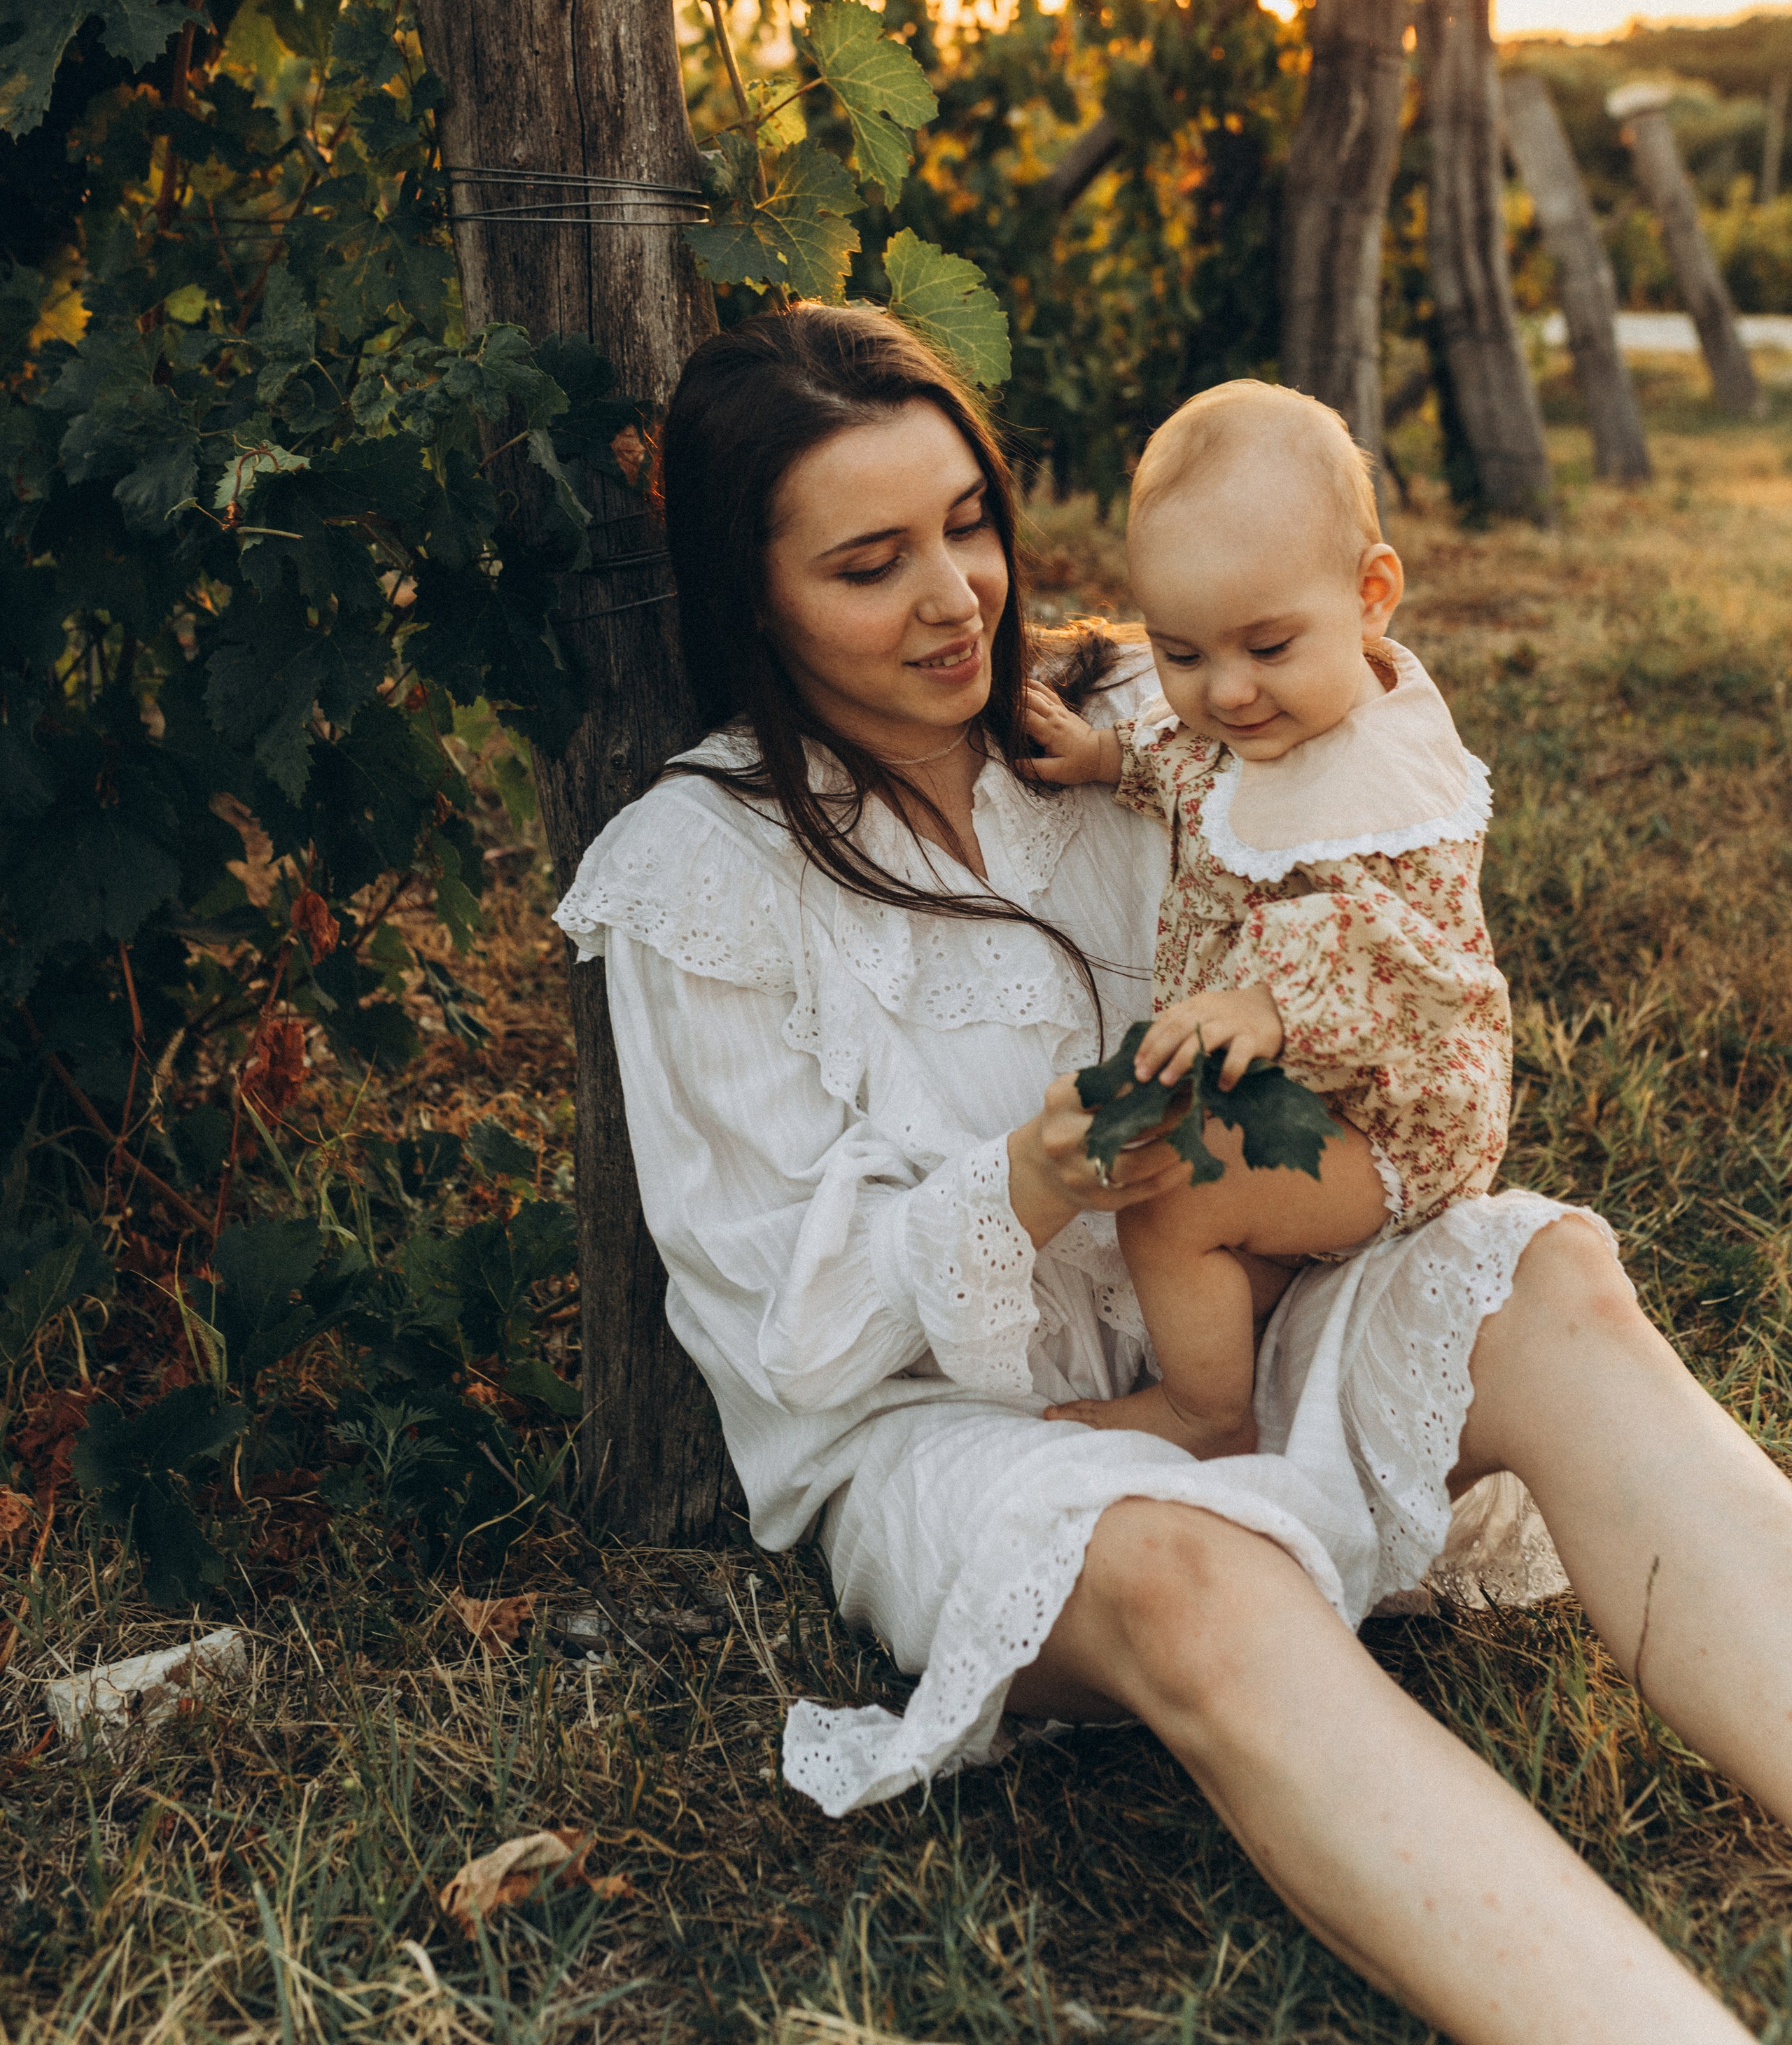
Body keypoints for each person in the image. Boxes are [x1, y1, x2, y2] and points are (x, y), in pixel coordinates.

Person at [554, 304, 1792, 2045]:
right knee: (1206, 1580)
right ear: (749, 594)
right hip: (968, 1439)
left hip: (1249, 1304)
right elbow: (779, 1338)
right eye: (867, 563)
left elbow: (1370, 730)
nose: (952, 601)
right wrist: (1030, 1182)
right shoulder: (698, 873)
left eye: (968, 523)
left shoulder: (1141, 707)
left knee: (1550, 1286)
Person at [1019, 381, 1511, 1459]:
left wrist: (1266, 1000)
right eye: (1184, 654)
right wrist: (1107, 758)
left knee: (1167, 1199)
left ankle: (1205, 1416)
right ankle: (1268, 1330)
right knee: (1217, 1247)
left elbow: (1395, 950)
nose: (1229, 693)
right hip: (1309, 1102)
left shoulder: (1388, 780)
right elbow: (1192, 767)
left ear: (1373, 595)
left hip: (1388, 1124)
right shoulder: (1251, 730)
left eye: (1268, 647)